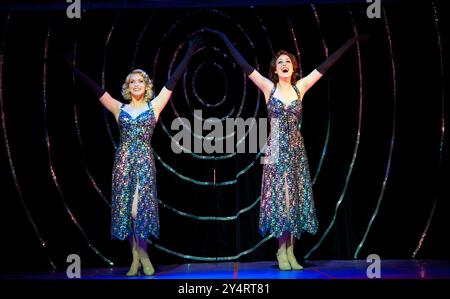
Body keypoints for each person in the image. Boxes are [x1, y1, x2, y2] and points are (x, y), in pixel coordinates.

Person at [205, 29, 365, 270]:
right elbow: (244, 64)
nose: (284, 64)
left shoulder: (300, 88)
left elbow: (325, 66)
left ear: (294, 67)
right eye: (280, 62)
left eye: (287, 61)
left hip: (296, 149)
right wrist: (223, 37)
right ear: (275, 69)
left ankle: (291, 250)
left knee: (295, 199)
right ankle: (281, 250)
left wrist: (350, 41)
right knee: (282, 199)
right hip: (276, 147)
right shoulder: (268, 88)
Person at [64, 37, 201, 275]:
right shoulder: (119, 108)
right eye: (132, 81)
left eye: (140, 81)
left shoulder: (154, 106)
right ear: (127, 87)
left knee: (141, 211)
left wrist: (188, 53)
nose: (136, 84)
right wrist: (73, 67)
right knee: (127, 211)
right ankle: (135, 258)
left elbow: (173, 81)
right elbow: (95, 89)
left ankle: (143, 254)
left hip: (144, 162)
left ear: (146, 85)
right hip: (124, 163)